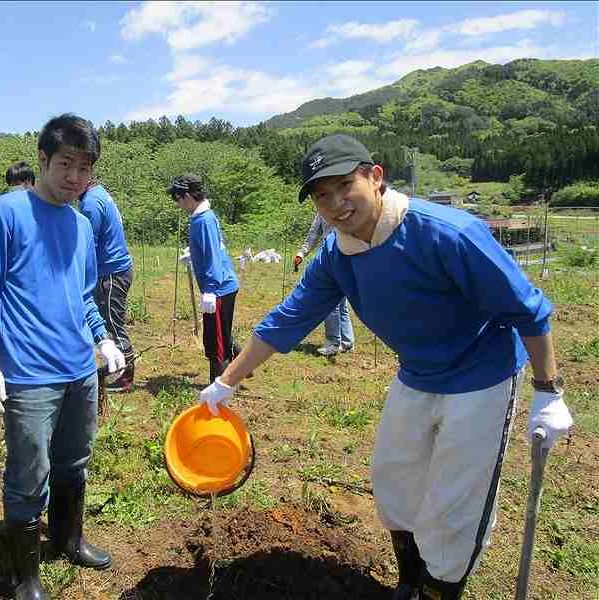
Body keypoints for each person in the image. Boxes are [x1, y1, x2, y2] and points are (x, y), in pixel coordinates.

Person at [199, 134, 573, 600]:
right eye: (321, 195)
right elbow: (287, 321)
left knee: (456, 504)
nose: (336, 204)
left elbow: (528, 309)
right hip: (417, 373)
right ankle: (410, 581)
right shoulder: (339, 255)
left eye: (344, 186)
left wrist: (547, 389)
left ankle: (441, 589)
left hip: (482, 376)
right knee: (393, 480)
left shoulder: (447, 234)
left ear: (375, 177)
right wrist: (225, 382)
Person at [0, 114, 126, 600]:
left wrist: (104, 338)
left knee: (74, 460)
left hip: (80, 370)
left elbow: (84, 295)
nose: (74, 177)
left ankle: (69, 539)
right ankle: (24, 577)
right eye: (65, 164)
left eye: (84, 167)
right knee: (29, 472)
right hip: (29, 374)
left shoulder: (80, 224)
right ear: (43, 161)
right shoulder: (6, 214)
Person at [168, 173, 239, 384]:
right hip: (220, 285)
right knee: (221, 333)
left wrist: (210, 289)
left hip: (219, 288)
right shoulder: (201, 216)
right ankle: (244, 368)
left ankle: (218, 387)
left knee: (215, 341)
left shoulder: (204, 219)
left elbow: (213, 257)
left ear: (188, 196)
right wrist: (193, 253)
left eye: (178, 198)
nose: (177, 203)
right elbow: (210, 248)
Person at [79, 180, 135, 392]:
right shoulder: (100, 194)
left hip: (111, 273)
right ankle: (119, 369)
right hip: (117, 269)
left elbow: (86, 245)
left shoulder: (90, 203)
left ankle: (125, 376)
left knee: (112, 323)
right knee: (111, 320)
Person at [294, 212, 355, 356]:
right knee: (340, 304)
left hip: (345, 258)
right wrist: (301, 254)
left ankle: (334, 343)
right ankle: (347, 342)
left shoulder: (348, 208)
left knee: (331, 302)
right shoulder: (322, 212)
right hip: (329, 258)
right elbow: (314, 234)